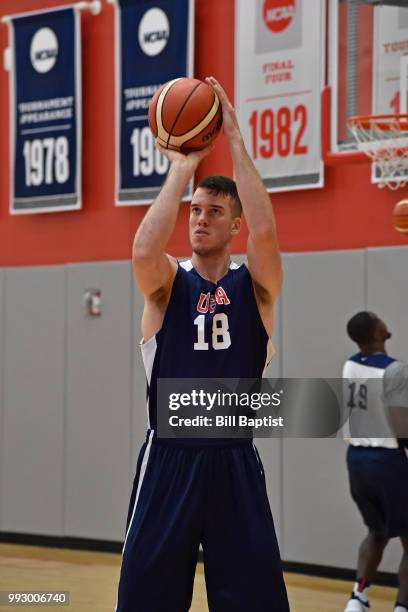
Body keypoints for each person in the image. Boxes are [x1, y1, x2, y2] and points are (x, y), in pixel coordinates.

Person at [115, 76, 290, 611]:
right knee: (148, 600)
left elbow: (267, 235)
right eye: (195, 210)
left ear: (234, 223)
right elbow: (143, 250)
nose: (200, 219)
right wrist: (183, 167)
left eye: (214, 211)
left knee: (255, 602)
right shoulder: (168, 285)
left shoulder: (256, 289)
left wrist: (235, 142)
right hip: (169, 459)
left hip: (233, 460)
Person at [342, 311, 408, 612]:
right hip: (386, 459)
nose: (384, 319)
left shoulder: (350, 365)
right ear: (376, 333)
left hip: (357, 459)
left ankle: (358, 599)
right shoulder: (394, 370)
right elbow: (401, 425)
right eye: (378, 319)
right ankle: (402, 606)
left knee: (376, 531)